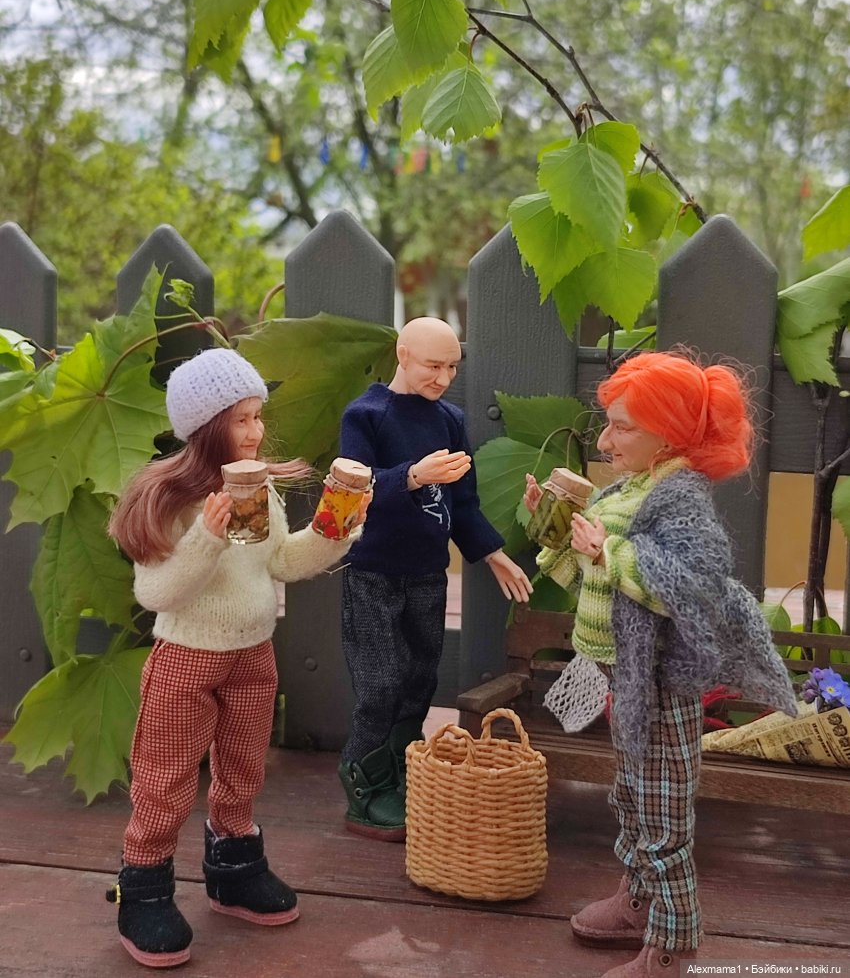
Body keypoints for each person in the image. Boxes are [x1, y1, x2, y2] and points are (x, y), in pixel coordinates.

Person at [524, 351, 797, 978]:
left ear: (666, 436)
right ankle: (637, 899)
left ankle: (673, 944)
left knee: (664, 813)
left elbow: (690, 586)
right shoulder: (627, 491)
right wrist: (560, 535)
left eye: (622, 426)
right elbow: (594, 581)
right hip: (626, 676)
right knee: (633, 795)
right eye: (608, 423)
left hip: (664, 684)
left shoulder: (681, 503)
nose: (605, 438)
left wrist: (609, 550)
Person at [106, 348, 366, 969]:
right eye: (242, 419)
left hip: (253, 654)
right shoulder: (168, 496)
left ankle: (233, 865)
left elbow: (279, 561)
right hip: (186, 658)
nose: (255, 432)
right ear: (204, 427)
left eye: (258, 417)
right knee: (165, 776)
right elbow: (156, 592)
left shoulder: (259, 485)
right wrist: (206, 536)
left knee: (244, 768)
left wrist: (335, 528)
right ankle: (142, 886)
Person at [337, 316, 533, 840]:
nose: (443, 377)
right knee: (379, 683)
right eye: (432, 365)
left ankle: (399, 774)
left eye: (451, 366)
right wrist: (414, 476)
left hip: (427, 574)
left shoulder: (449, 419)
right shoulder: (367, 414)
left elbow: (463, 503)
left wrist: (492, 553)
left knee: (420, 677)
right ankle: (363, 780)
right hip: (373, 573)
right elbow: (351, 486)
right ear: (402, 355)